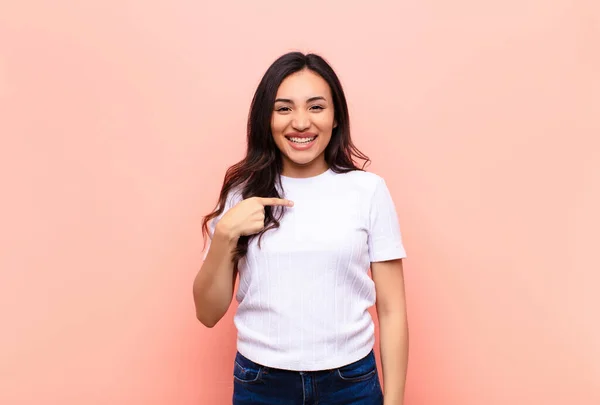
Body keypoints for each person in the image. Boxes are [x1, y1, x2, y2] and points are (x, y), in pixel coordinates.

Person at [193, 51, 409, 405]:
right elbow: (207, 313)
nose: (300, 122)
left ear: (336, 116)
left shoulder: (368, 191)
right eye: (284, 108)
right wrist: (224, 235)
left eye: (316, 107)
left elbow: (392, 309)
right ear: (267, 119)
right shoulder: (241, 195)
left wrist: (396, 402)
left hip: (351, 382)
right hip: (261, 383)